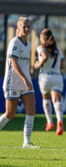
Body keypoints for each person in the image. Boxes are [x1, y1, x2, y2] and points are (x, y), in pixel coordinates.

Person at [0, 17, 39, 148]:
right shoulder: (14, 42)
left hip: (26, 82)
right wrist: (26, 80)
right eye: (24, 26)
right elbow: (14, 64)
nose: (27, 29)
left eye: (29, 26)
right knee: (10, 114)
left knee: (31, 109)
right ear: (18, 28)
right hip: (13, 82)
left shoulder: (28, 44)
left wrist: (28, 78)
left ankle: (26, 142)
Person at [34, 29, 64, 135]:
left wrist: (38, 64)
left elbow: (45, 57)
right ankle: (59, 120)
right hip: (57, 77)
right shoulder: (58, 50)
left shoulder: (41, 48)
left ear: (43, 38)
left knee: (46, 98)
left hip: (45, 77)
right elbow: (62, 66)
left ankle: (50, 122)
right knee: (57, 101)